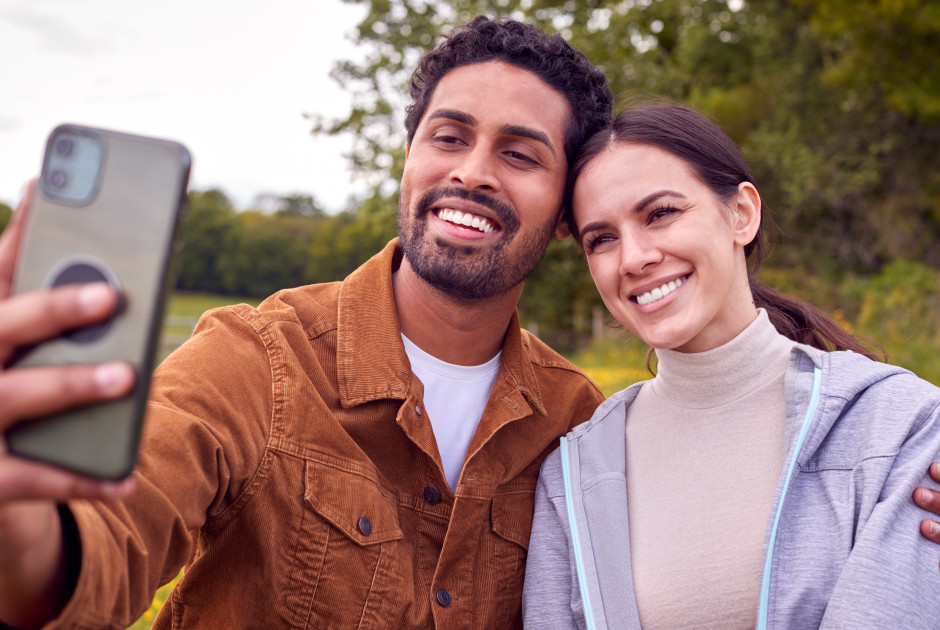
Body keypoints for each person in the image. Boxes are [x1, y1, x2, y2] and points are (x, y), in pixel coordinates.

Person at [0, 16, 612, 629]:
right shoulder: (255, 358)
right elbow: (107, 545)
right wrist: (21, 524)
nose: (473, 171)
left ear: (565, 212)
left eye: (519, 154)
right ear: (408, 157)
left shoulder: (577, 422)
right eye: (449, 137)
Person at [521, 102, 940, 629]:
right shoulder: (573, 472)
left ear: (741, 213)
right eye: (601, 239)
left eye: (661, 213)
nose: (633, 258)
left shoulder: (900, 426)